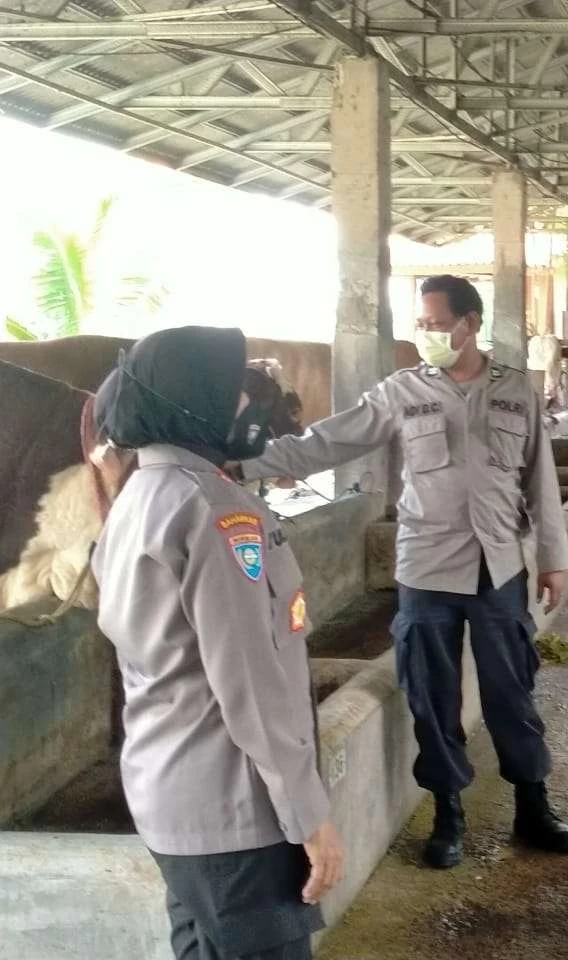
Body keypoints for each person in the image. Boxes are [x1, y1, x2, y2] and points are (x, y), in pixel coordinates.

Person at [232, 275, 568, 870]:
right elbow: (325, 443)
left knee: (510, 692)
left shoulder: (515, 391)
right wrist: (238, 459)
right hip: (426, 570)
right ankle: (448, 813)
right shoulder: (400, 391)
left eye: (436, 323)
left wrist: (553, 556)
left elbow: (539, 480)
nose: (426, 334)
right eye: (420, 324)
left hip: (499, 568)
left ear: (470, 325)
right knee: (431, 696)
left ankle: (533, 804)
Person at [92, 326, 344, 960]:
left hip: (171, 802)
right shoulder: (214, 511)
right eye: (233, 388)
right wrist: (307, 815)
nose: (246, 403)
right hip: (235, 816)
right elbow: (252, 684)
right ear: (191, 398)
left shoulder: (137, 496)